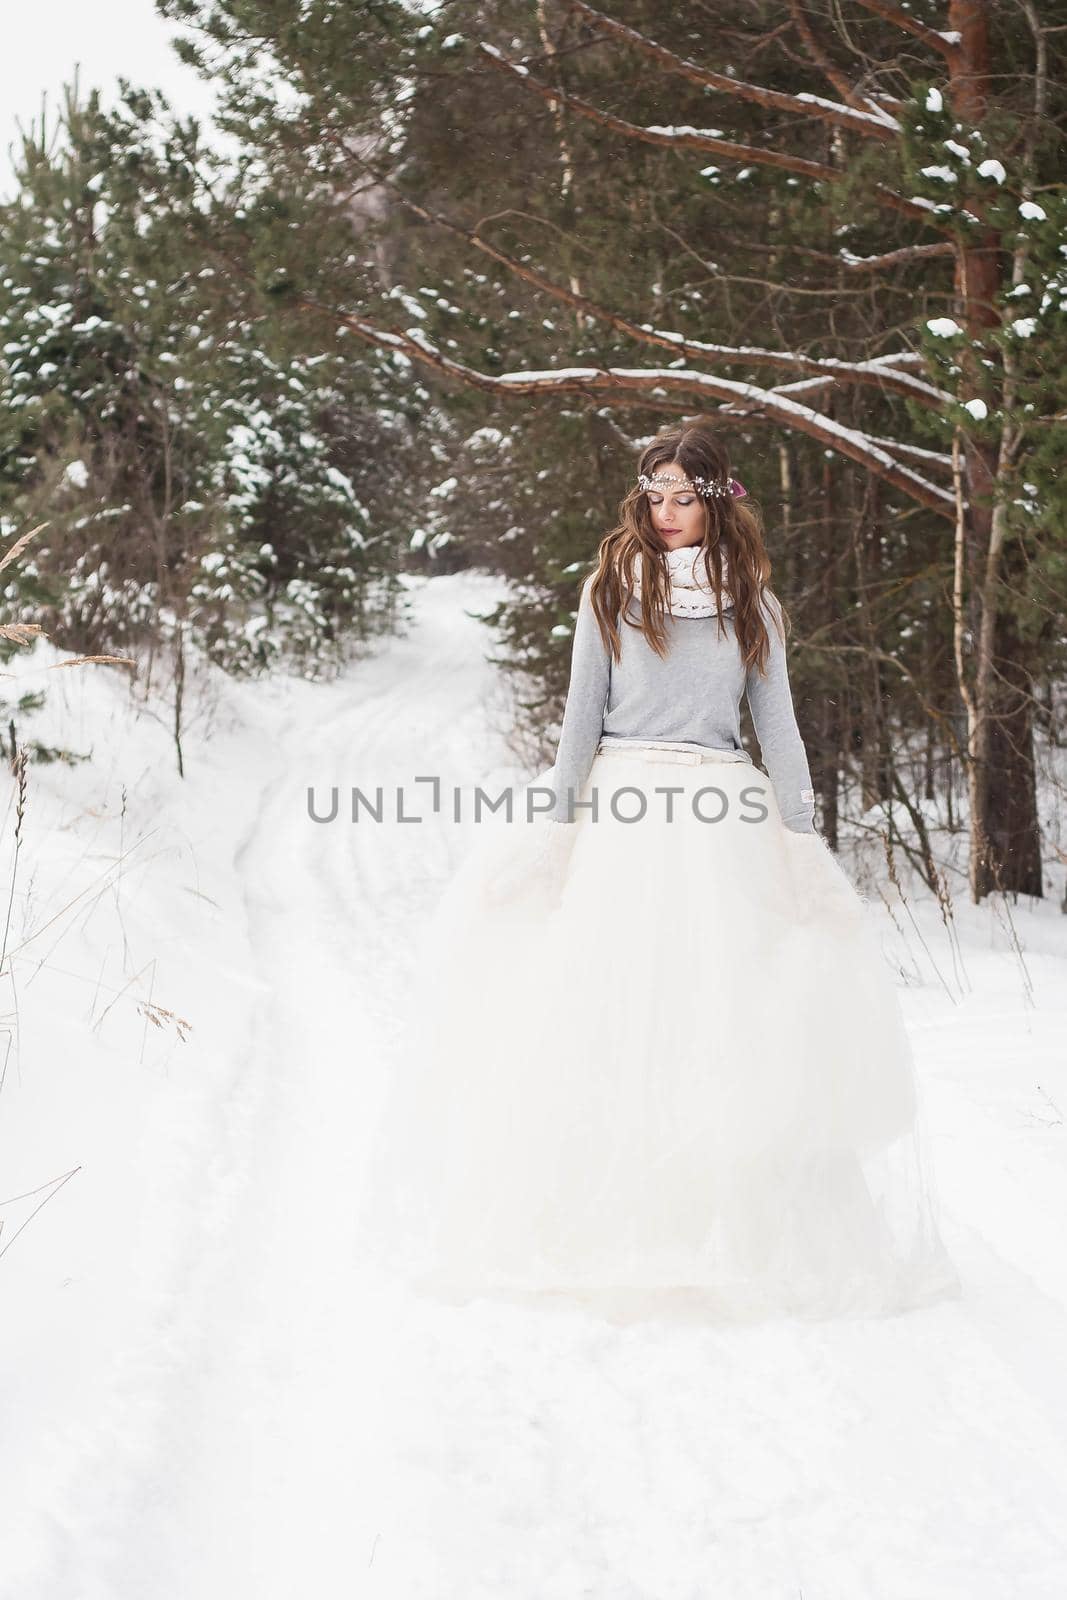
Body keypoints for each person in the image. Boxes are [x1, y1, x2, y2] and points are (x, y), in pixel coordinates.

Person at [357, 425, 962, 1323]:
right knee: (603, 1010)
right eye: (654, 494)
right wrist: (555, 833)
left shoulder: (751, 602)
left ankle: (729, 1228)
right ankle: (600, 1226)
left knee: (718, 1015)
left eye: (683, 496)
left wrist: (801, 846)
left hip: (721, 814)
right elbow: (578, 724)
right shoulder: (610, 591)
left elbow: (780, 731)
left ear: (717, 502)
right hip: (623, 812)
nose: (666, 512)